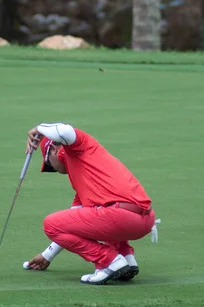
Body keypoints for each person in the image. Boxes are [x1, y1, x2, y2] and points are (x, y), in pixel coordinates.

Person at [25, 122, 160, 285]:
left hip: (122, 217)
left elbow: (64, 130)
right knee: (95, 217)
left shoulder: (80, 146)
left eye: (49, 164)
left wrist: (38, 129)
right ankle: (126, 259)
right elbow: (74, 226)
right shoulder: (85, 174)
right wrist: (47, 255)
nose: (53, 168)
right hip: (145, 220)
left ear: (53, 150)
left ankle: (109, 261)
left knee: (50, 224)